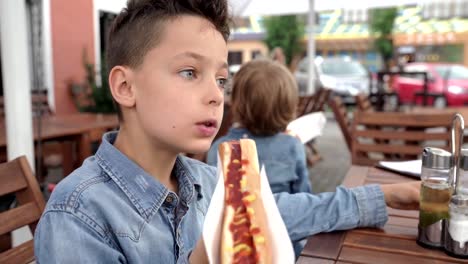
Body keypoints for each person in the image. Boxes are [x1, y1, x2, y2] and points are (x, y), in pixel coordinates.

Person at [34, 0, 420, 263]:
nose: (216, 96)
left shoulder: (207, 180)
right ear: (125, 87)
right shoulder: (79, 215)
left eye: (221, 79)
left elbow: (283, 211)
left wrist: (383, 196)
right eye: (190, 72)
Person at [206, 59, 311, 195]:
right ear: (289, 106)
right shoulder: (292, 146)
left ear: (236, 102)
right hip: (284, 215)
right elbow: (304, 196)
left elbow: (210, 198)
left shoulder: (219, 148)